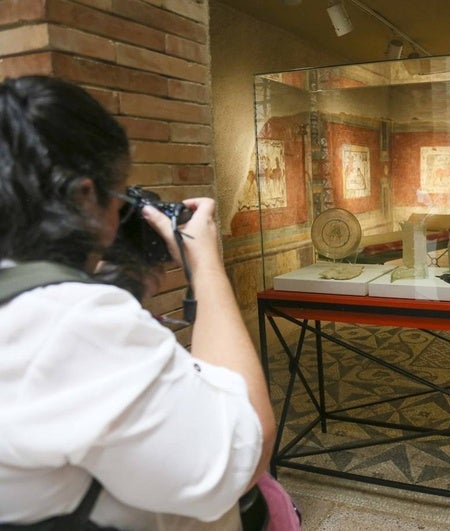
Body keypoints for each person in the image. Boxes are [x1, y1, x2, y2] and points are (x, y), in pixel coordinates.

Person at [0, 75, 276, 529]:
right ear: (85, 197)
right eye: (118, 196)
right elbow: (242, 453)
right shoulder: (70, 321)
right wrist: (204, 262)